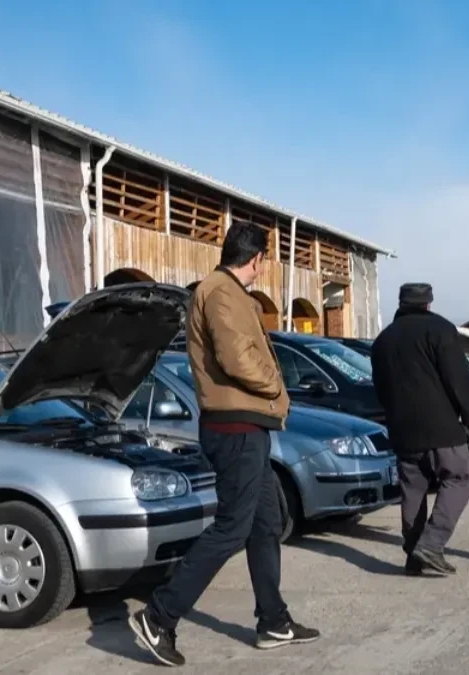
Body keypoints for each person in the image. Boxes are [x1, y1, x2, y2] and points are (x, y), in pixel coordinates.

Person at [129, 223, 319, 668]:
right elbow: (237, 358)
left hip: (246, 426)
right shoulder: (220, 291)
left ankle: (273, 620)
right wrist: (276, 386)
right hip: (235, 428)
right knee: (233, 527)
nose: (263, 267)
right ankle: (159, 616)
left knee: (266, 520)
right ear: (255, 259)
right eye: (263, 261)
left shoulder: (229, 293)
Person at [371, 282, 469, 576]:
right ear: (429, 303)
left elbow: (380, 388)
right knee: (461, 476)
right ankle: (432, 544)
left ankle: (413, 557)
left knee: (413, 489)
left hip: (402, 429)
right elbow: (458, 378)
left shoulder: (383, 340)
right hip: (441, 426)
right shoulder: (441, 330)